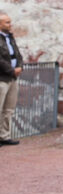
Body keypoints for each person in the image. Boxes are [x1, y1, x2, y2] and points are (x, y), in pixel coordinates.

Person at [0, 12, 23, 146]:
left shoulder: (9, 37)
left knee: (8, 109)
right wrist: (11, 70)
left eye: (10, 21)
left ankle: (4, 136)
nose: (10, 24)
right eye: (7, 22)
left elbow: (17, 53)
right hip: (2, 77)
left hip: (12, 78)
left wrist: (20, 66)